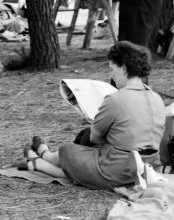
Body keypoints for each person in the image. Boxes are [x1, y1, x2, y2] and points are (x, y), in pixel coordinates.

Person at [23, 41, 165, 190]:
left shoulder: (115, 99)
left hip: (118, 170)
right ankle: (44, 159)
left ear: (123, 69)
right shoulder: (156, 97)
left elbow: (94, 138)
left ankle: (43, 162)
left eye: (112, 69)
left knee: (69, 150)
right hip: (149, 166)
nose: (112, 75)